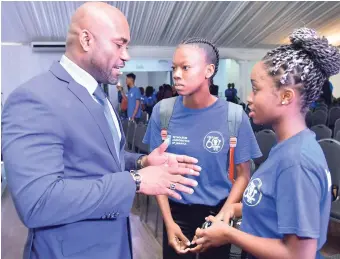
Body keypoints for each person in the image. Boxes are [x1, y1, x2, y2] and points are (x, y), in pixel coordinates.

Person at [1, 3, 202, 259]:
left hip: (113, 245)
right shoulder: (34, 99)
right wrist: (136, 181)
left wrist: (142, 161)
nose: (126, 55)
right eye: (120, 44)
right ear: (86, 39)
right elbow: (38, 202)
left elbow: (98, 156)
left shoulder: (99, 94)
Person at [191, 28, 339, 259]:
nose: (249, 97)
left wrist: (230, 235)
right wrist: (233, 208)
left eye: (256, 89)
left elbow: (298, 255)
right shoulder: (286, 149)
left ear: (286, 96)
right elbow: (274, 207)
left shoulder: (297, 161)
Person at [143, 37, 262, 259]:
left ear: (209, 70)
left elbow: (243, 174)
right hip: (176, 211)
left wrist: (223, 217)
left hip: (218, 212)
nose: (177, 74)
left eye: (185, 67)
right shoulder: (163, 112)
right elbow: (156, 173)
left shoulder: (234, 116)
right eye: (174, 68)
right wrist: (168, 223)